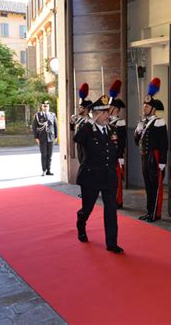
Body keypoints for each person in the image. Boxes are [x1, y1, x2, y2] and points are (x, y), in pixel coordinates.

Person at [73, 94, 123, 254]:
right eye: (104, 112)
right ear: (95, 114)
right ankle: (81, 223)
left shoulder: (112, 130)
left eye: (108, 112)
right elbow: (77, 139)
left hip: (108, 176)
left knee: (111, 210)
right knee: (87, 208)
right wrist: (89, 122)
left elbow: (116, 150)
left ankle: (112, 243)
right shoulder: (87, 130)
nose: (108, 115)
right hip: (91, 176)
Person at [135, 78, 168, 223]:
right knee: (148, 186)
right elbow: (137, 142)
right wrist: (137, 132)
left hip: (154, 157)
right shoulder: (143, 123)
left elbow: (163, 144)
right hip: (144, 157)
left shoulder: (159, 122)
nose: (144, 109)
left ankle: (156, 213)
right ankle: (149, 211)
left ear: (153, 109)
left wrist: (162, 161)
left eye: (147, 107)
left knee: (156, 187)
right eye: (144, 106)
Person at [108, 80, 127, 209]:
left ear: (116, 109)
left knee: (117, 181)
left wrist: (120, 156)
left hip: (116, 155)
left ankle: (118, 201)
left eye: (110, 107)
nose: (108, 109)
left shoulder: (120, 122)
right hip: (108, 155)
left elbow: (122, 141)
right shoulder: (106, 121)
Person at [32, 100, 58, 176]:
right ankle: (44, 170)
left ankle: (48, 170)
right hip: (42, 138)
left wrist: (56, 136)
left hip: (51, 137)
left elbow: (55, 126)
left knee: (50, 155)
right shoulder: (38, 115)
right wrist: (36, 137)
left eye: (47, 106)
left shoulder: (52, 115)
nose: (45, 107)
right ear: (42, 106)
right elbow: (34, 127)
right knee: (44, 154)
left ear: (49, 107)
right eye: (44, 106)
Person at [70, 83, 92, 164]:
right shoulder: (78, 119)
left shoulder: (90, 120)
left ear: (86, 109)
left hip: (87, 145)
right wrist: (72, 122)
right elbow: (72, 130)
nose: (79, 109)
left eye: (81, 108)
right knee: (80, 160)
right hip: (79, 144)